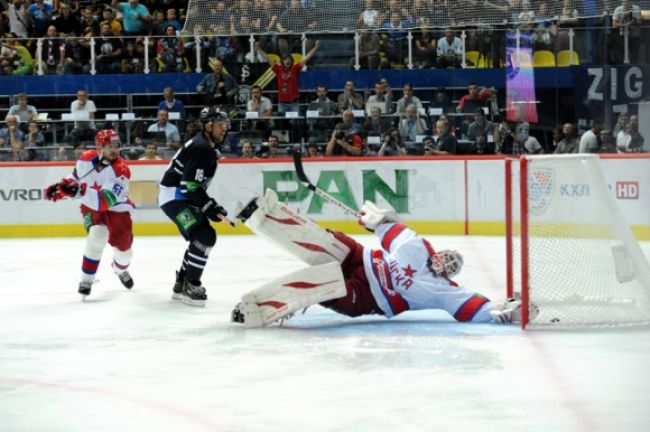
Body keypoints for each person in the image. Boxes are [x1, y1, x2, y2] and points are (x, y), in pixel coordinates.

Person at [230, 189, 530, 328]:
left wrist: (503, 311)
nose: (445, 264)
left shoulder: (444, 291)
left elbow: (472, 306)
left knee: (325, 280)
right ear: (439, 252)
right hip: (360, 259)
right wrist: (375, 219)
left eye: (450, 267)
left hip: (366, 297)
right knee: (329, 243)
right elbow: (387, 225)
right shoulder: (417, 245)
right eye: (446, 258)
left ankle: (257, 309)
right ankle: (261, 216)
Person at [44, 129, 135, 298]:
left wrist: (77, 192)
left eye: (117, 145)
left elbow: (105, 202)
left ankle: (119, 268)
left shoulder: (121, 170)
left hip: (116, 208)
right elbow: (76, 176)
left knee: (125, 250)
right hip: (90, 204)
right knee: (97, 234)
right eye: (110, 146)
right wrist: (61, 189)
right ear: (99, 146)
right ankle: (86, 279)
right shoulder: (86, 158)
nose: (114, 149)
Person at [158, 107, 230, 307]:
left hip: (179, 197)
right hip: (174, 198)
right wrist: (210, 208)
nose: (224, 128)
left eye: (224, 124)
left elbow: (193, 186)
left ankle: (182, 283)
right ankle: (192, 285)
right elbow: (189, 186)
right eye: (219, 124)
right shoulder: (201, 148)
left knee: (200, 236)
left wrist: (211, 207)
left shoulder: (205, 147)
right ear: (207, 125)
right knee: (204, 236)